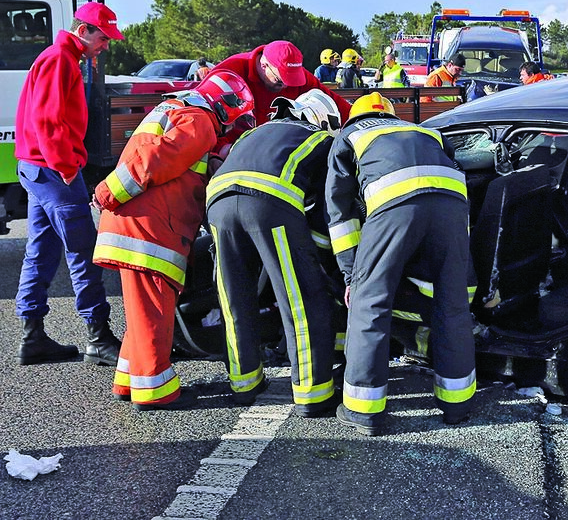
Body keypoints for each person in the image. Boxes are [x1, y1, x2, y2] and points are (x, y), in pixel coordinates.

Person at [92, 71, 255, 411]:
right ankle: (156, 391)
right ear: (225, 107)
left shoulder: (175, 111)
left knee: (141, 311)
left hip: (137, 225)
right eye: (234, 120)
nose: (228, 129)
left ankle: (128, 379)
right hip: (150, 231)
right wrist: (108, 192)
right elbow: (156, 159)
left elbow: (173, 165)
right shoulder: (200, 120)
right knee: (154, 311)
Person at [326, 92, 476, 436]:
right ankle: (457, 404)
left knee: (370, 303)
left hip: (394, 203)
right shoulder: (427, 132)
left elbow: (340, 214)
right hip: (453, 205)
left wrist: (351, 276)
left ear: (354, 117)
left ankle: (363, 411)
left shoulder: (350, 135)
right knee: (452, 305)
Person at [205, 89, 343, 415]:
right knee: (300, 300)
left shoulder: (253, 133)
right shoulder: (321, 140)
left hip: (218, 203)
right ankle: (313, 394)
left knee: (235, 298)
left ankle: (244, 384)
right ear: (324, 120)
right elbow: (326, 209)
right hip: (269, 202)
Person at [13, 1, 125, 367]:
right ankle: (99, 338)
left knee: (41, 250)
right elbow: (49, 122)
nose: (105, 45)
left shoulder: (61, 57)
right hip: (52, 171)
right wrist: (66, 167)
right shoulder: (60, 59)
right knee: (83, 251)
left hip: (38, 170)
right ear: (83, 31)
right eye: (103, 38)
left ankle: (32, 338)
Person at [208, 40, 351, 126]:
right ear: (264, 65)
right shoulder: (229, 71)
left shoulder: (298, 75)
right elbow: (206, 117)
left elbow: (333, 103)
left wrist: (358, 119)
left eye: (292, 82)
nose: (286, 86)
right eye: (279, 81)